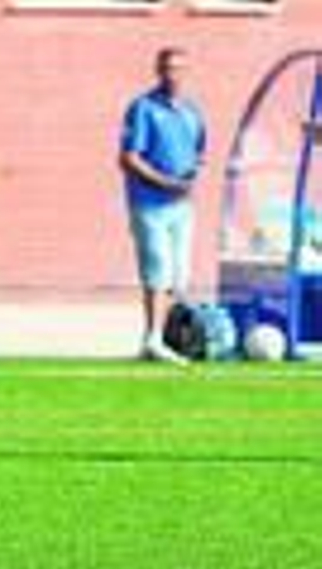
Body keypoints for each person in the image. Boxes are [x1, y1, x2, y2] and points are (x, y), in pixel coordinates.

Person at [120, 46, 207, 365]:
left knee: (178, 276)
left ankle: (167, 338)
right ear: (158, 71)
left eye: (180, 69)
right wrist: (166, 182)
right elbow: (129, 158)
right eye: (168, 68)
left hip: (182, 206)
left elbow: (199, 153)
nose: (174, 75)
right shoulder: (143, 108)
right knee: (157, 269)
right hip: (150, 204)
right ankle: (152, 338)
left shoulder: (192, 111)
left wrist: (192, 174)